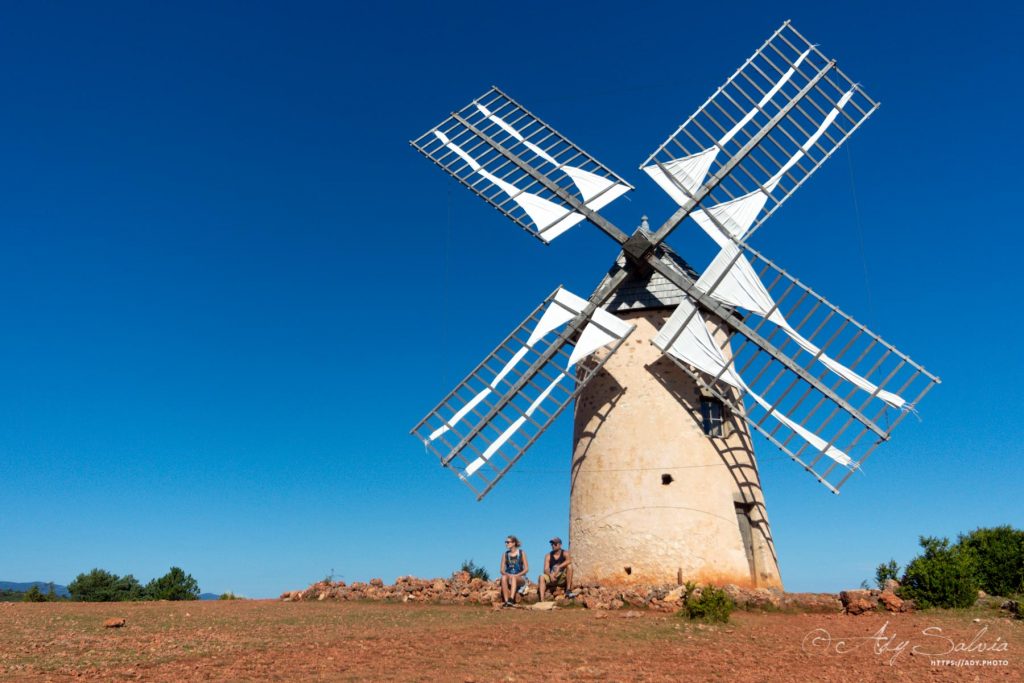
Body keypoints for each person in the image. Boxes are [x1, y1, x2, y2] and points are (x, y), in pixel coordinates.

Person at [499, 535, 528, 606]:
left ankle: (511, 599)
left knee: (514, 578)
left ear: (514, 543)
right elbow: (502, 570)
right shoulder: (505, 554)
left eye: (508, 542)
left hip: (520, 578)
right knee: (503, 577)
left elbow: (526, 569)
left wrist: (516, 575)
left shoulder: (521, 553)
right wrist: (509, 575)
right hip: (509, 576)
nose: (506, 544)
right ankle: (506, 601)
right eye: (505, 542)